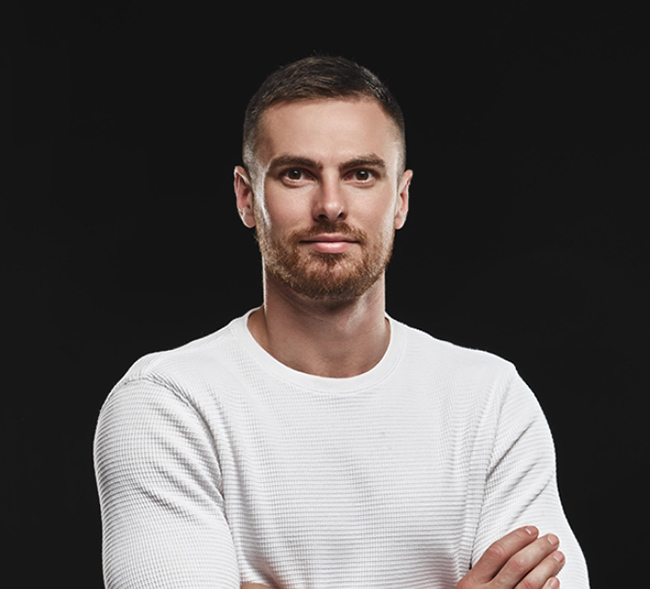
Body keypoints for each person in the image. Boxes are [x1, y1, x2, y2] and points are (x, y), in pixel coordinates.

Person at [94, 56, 590, 588]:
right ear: (246, 197)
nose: (330, 205)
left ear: (400, 199)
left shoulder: (490, 399)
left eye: (360, 174)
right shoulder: (168, 401)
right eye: (296, 174)